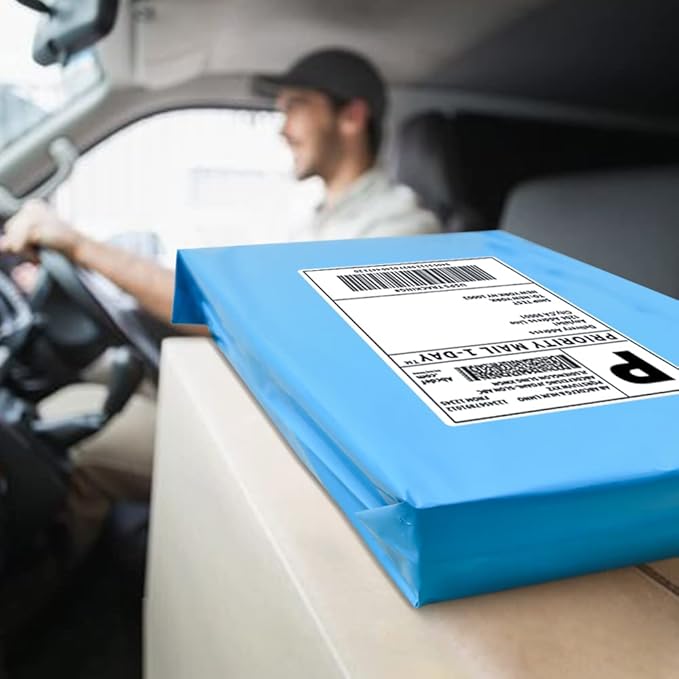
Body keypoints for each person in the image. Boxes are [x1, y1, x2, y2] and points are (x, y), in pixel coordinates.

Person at [0, 48, 441, 559]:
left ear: (352, 116)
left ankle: (44, 599)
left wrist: (80, 246)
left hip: (287, 451)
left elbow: (236, 313)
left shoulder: (398, 231)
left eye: (296, 106)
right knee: (78, 396)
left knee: (75, 441)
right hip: (244, 405)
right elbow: (236, 296)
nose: (282, 129)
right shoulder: (315, 218)